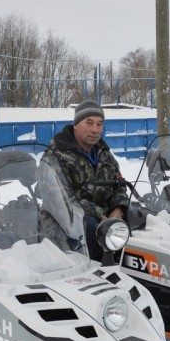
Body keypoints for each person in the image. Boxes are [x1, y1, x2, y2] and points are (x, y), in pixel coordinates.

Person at [47, 100, 129, 261]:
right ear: (76, 124)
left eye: (99, 124)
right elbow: (60, 199)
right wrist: (101, 216)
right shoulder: (56, 155)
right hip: (64, 224)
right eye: (89, 123)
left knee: (135, 219)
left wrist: (118, 209)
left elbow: (119, 184)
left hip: (105, 220)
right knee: (90, 226)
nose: (95, 130)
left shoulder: (104, 153)